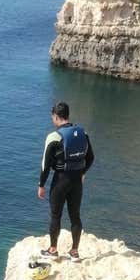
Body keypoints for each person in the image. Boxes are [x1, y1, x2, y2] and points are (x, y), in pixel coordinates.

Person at [37, 102, 94, 262]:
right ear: (68, 115)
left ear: (55, 116)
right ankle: (74, 252)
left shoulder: (54, 137)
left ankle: (53, 250)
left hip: (61, 180)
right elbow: (90, 157)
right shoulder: (83, 132)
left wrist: (41, 185)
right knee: (75, 216)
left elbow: (45, 165)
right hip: (77, 181)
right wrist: (82, 172)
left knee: (56, 215)